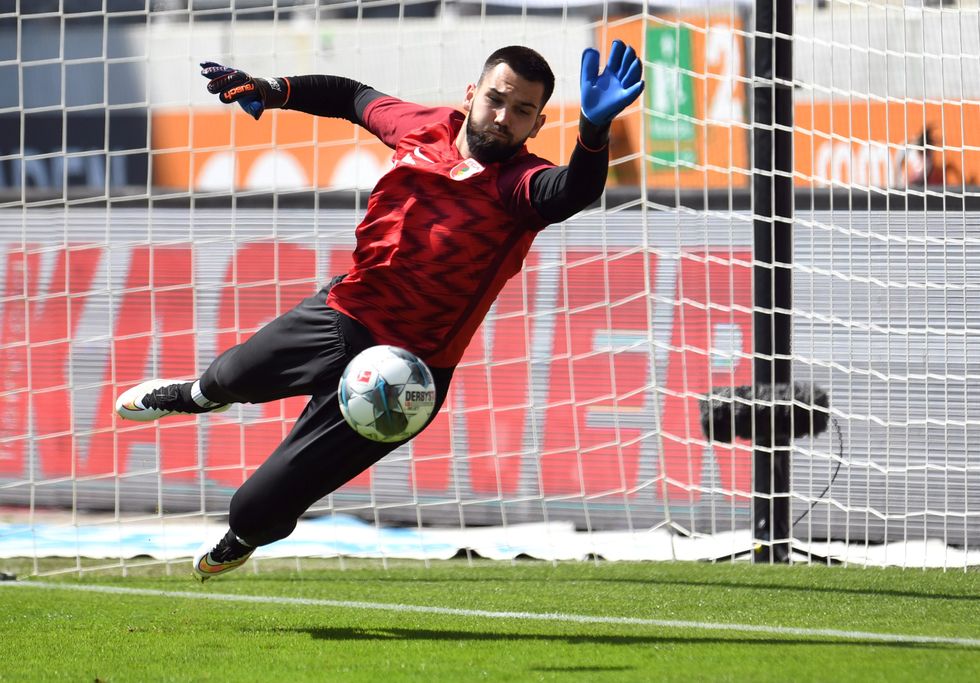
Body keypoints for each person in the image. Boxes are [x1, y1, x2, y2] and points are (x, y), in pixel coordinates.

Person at [115, 42, 644, 580]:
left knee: (255, 508)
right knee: (227, 377)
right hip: (341, 315)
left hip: (408, 374)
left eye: (523, 111)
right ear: (471, 95)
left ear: (537, 125)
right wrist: (272, 91)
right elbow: (350, 96)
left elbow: (574, 189)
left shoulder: (520, 186)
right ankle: (193, 397)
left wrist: (594, 133)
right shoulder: (423, 126)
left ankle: (243, 536)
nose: (504, 117)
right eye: (496, 99)